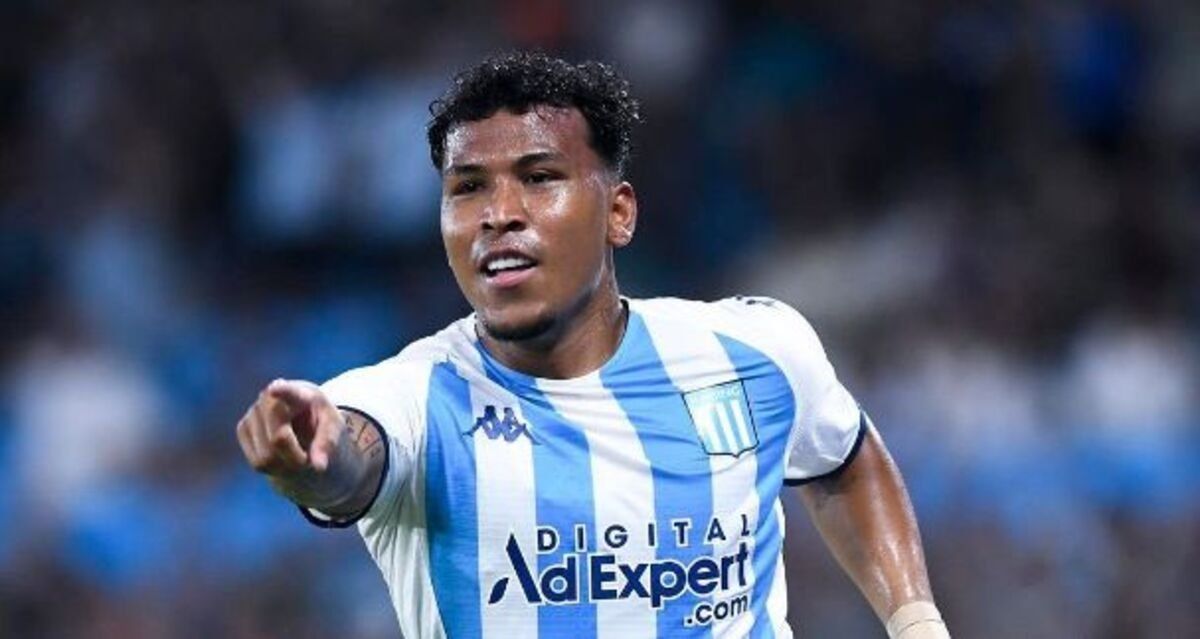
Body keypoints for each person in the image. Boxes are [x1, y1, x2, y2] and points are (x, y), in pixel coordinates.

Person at [235, 51, 949, 639]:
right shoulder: (411, 398)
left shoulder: (753, 352)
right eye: (468, 188)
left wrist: (916, 621)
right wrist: (314, 459)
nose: (499, 214)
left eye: (539, 178)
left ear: (619, 212)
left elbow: (844, 459)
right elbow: (350, 461)